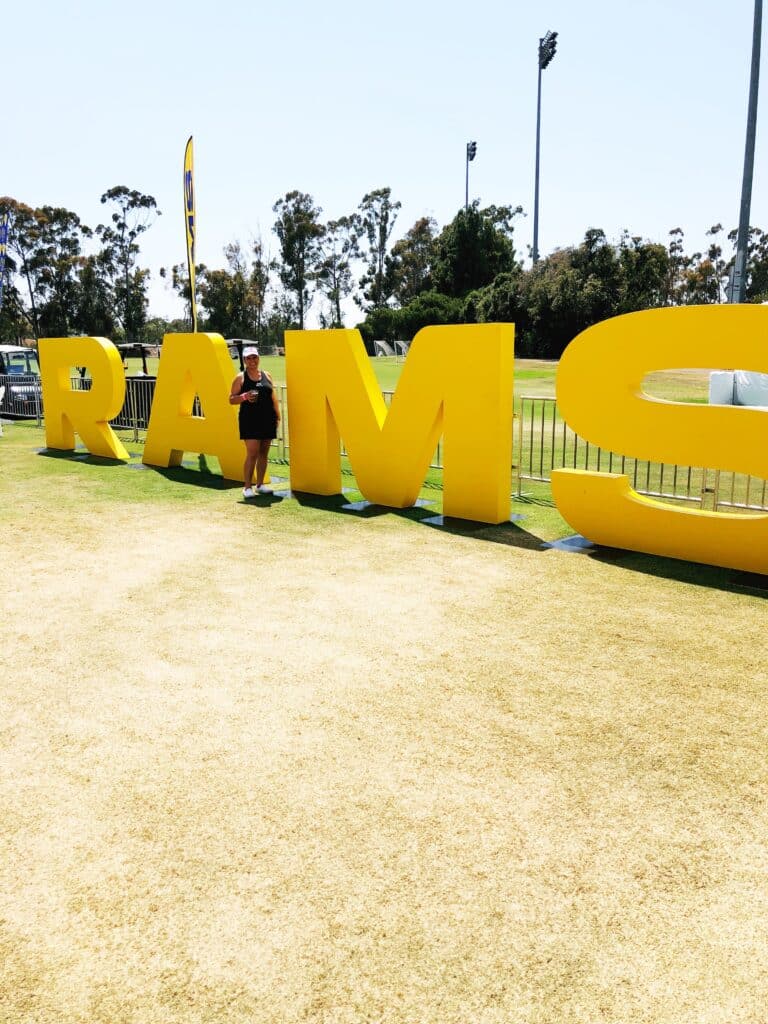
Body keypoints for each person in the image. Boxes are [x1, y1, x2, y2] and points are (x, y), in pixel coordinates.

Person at [229, 346, 281, 497]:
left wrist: (277, 416)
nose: (252, 361)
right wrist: (244, 396)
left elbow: (272, 397)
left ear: (258, 358)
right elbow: (231, 399)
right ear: (244, 360)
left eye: (255, 357)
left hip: (267, 419)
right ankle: (247, 487)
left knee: (264, 453)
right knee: (252, 453)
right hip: (249, 420)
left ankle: (260, 485)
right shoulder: (240, 378)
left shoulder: (267, 375)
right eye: (249, 358)